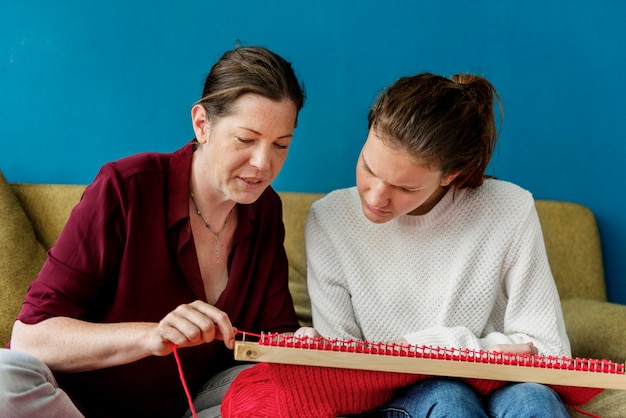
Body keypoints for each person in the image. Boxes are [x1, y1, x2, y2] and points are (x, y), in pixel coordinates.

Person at [0, 45, 306, 417]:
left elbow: (274, 341)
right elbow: (30, 338)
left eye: (280, 145)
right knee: (4, 377)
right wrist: (151, 336)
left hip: (192, 408)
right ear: (202, 124)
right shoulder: (126, 187)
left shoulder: (266, 210)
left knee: (291, 388)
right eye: (246, 140)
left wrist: (309, 348)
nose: (263, 163)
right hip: (76, 408)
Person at [301, 72, 571, 417]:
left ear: (450, 176)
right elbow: (344, 373)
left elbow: (550, 353)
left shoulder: (510, 209)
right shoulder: (330, 220)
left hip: (503, 385)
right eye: (368, 167)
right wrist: (478, 353)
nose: (376, 197)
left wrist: (428, 348)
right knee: (449, 398)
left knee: (534, 401)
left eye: (404, 188)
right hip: (401, 397)